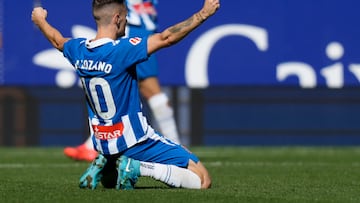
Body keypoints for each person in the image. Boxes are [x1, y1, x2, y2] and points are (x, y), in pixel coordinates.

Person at [32, 0, 219, 190]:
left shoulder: (78, 49)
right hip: (136, 140)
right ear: (117, 19)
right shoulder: (123, 49)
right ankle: (138, 167)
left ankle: (106, 163)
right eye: (126, 17)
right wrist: (203, 14)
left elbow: (57, 39)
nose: (127, 22)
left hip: (103, 143)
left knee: (110, 182)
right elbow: (166, 38)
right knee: (203, 180)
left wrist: (40, 20)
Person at [63, 0, 181, 162]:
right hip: (142, 28)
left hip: (133, 33)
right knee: (144, 89)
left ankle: (175, 144)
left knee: (150, 89)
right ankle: (92, 145)